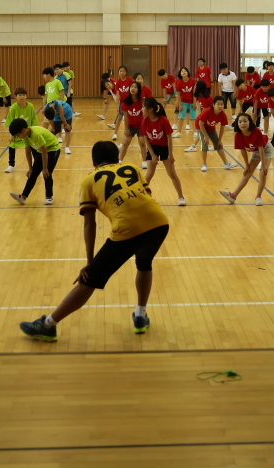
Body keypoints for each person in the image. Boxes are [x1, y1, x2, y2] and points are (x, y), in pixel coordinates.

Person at [19, 140, 170, 341]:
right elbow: (145, 196)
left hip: (127, 230)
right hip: (159, 223)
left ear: (93, 161)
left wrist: (90, 264)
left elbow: (90, 224)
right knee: (144, 263)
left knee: (88, 280)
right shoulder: (132, 168)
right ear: (118, 158)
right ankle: (140, 316)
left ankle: (47, 326)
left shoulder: (88, 181)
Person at [219, 114, 273, 206]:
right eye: (240, 121)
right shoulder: (238, 136)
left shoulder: (256, 131)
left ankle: (258, 197)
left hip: (265, 149)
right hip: (255, 152)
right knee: (247, 173)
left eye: (245, 121)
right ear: (237, 123)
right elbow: (243, 151)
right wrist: (247, 165)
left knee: (262, 173)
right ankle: (233, 196)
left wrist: (263, 165)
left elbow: (261, 148)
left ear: (250, 122)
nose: (242, 123)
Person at [140, 98, 185, 206]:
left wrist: (170, 154)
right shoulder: (145, 121)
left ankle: (181, 197)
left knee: (172, 174)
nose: (141, 109)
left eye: (143, 107)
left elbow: (169, 137)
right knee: (149, 174)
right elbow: (146, 139)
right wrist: (153, 154)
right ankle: (142, 196)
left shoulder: (163, 120)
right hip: (152, 148)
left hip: (165, 148)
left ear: (150, 109)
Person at [8, 120, 60, 206]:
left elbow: (44, 151)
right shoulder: (25, 136)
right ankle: (23, 197)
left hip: (52, 149)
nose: (18, 137)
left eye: (17, 135)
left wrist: (45, 168)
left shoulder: (36, 134)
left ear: (23, 130)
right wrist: (30, 168)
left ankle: (49, 197)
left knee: (47, 174)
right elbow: (28, 151)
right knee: (33, 174)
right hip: (42, 150)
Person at [191, 96, 234, 171]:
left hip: (211, 127)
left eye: (222, 104)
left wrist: (220, 140)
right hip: (200, 126)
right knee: (204, 144)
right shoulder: (207, 111)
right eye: (218, 104)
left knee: (218, 144)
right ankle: (204, 164)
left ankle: (226, 164)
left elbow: (222, 128)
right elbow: (201, 123)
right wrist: (205, 136)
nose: (220, 106)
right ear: (213, 105)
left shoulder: (223, 115)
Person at [4, 87, 38, 173]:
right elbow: (11, 122)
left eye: (24, 95)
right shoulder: (13, 108)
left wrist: (33, 132)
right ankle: (11, 165)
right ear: (15, 97)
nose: (22, 97)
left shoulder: (30, 106)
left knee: (34, 147)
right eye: (19, 95)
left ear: (26, 96)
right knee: (11, 146)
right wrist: (12, 135)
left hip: (28, 132)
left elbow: (34, 119)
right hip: (16, 133)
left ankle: (37, 165)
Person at [118, 80, 148, 167]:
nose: (133, 88)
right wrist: (126, 129)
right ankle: (120, 160)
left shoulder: (142, 101)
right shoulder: (126, 102)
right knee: (125, 143)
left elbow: (145, 115)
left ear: (138, 90)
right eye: (131, 87)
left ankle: (144, 161)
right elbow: (126, 117)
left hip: (141, 126)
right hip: (130, 126)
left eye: (135, 87)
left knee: (142, 143)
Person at [185, 80, 213, 152]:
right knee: (202, 131)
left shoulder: (207, 97)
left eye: (196, 85)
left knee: (203, 131)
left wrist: (201, 119)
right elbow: (200, 108)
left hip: (209, 116)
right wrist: (200, 116)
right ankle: (194, 145)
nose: (194, 86)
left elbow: (205, 110)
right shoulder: (199, 95)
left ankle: (194, 145)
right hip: (204, 115)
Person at [109, 66, 133, 140]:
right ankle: (115, 133)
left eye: (123, 71)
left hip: (130, 102)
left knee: (130, 118)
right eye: (120, 71)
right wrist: (117, 106)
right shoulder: (118, 82)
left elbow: (133, 90)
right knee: (119, 117)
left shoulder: (130, 80)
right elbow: (118, 94)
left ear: (126, 72)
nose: (121, 72)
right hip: (122, 103)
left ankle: (129, 132)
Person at [174, 67, 195, 134]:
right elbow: (178, 95)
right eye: (182, 71)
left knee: (194, 117)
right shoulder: (179, 82)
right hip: (183, 102)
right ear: (180, 74)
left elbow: (195, 93)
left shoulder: (193, 81)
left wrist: (195, 103)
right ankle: (179, 132)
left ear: (188, 72)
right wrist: (179, 105)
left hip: (192, 102)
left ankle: (195, 132)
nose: (183, 72)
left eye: (185, 71)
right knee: (181, 117)